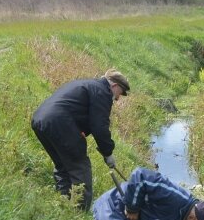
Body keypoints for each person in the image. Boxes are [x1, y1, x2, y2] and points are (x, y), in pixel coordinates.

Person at [31, 69, 130, 210]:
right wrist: (108, 153)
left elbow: (78, 111)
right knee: (80, 168)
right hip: (60, 123)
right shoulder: (102, 92)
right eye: (120, 93)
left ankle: (63, 206)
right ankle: (78, 212)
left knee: (63, 166)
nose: (118, 98)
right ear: (114, 86)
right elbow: (99, 127)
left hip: (40, 121)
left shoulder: (88, 84)